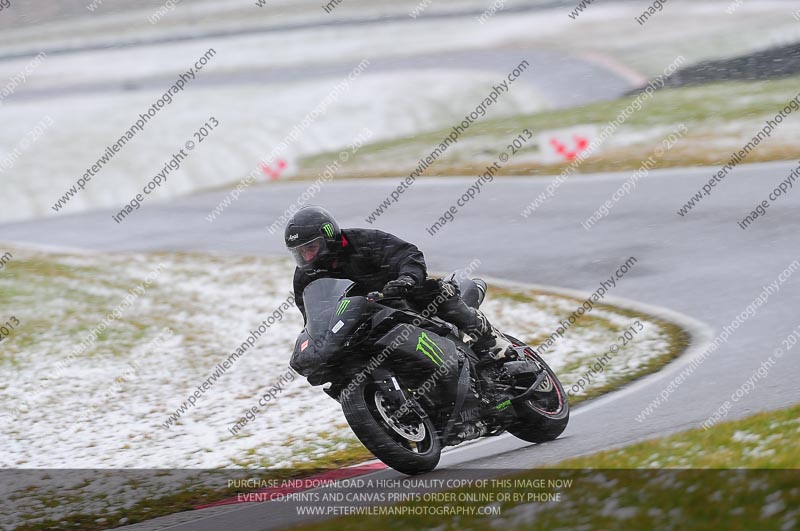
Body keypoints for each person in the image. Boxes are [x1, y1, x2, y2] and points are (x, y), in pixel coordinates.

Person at [284, 205, 512, 358]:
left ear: (329, 235)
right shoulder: (305, 276)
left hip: (401, 297)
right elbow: (312, 315)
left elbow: (407, 255)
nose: (308, 257)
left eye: (311, 248)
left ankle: (490, 340)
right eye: (301, 252)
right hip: (361, 320)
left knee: (438, 293)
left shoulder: (364, 241)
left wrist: (406, 280)